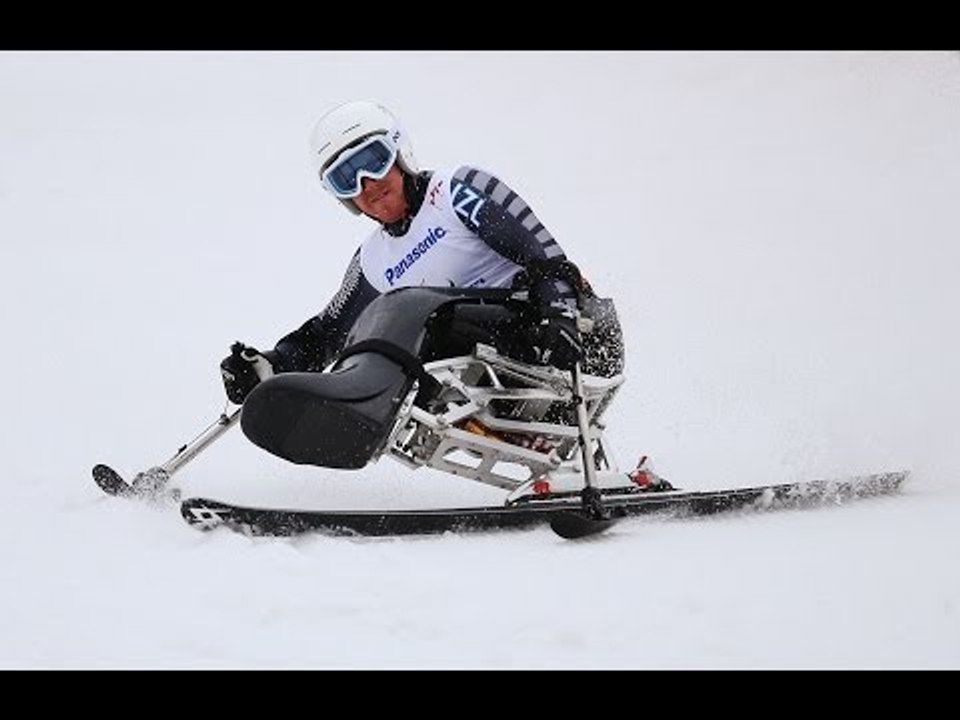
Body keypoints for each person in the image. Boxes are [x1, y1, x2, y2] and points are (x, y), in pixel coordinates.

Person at [219, 100, 624, 408]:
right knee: (380, 331)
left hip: (572, 339)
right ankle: (344, 426)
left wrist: (562, 315)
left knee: (412, 311)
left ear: (399, 153)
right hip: (486, 373)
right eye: (347, 179)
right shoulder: (373, 262)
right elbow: (327, 334)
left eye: (373, 162)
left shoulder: (456, 192)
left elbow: (546, 259)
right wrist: (270, 367)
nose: (368, 185)